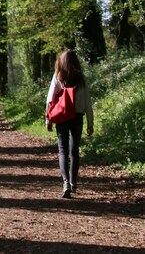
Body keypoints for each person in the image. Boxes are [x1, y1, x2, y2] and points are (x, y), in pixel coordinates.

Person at [46, 49, 94, 198]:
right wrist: (90, 123)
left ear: (62, 61)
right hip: (77, 118)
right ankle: (73, 184)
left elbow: (50, 98)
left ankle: (65, 182)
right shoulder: (81, 79)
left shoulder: (58, 76)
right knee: (74, 151)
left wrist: (48, 119)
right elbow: (87, 102)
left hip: (62, 117)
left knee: (62, 151)